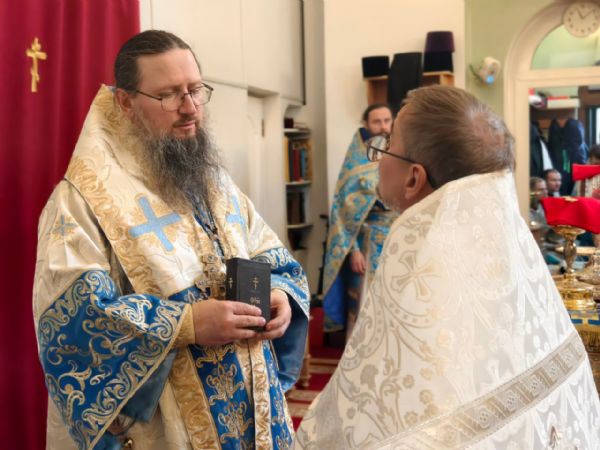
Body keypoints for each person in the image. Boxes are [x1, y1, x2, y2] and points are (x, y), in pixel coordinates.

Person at [33, 30, 309, 450]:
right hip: (165, 429)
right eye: (168, 95)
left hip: (255, 410)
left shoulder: (213, 182)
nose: (190, 108)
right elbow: (72, 324)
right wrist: (187, 324)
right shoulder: (80, 202)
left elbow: (270, 255)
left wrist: (281, 296)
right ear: (126, 102)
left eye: (195, 90)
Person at [294, 85, 600, 449]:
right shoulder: (509, 254)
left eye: (388, 143)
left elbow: (357, 423)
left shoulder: (416, 273)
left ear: (413, 179)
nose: (378, 155)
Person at [321, 103, 399, 340]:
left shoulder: (401, 151)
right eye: (377, 121)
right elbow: (343, 210)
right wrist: (354, 250)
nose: (383, 126)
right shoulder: (356, 158)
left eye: (387, 120)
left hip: (399, 239)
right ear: (366, 124)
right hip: (368, 243)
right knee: (366, 303)